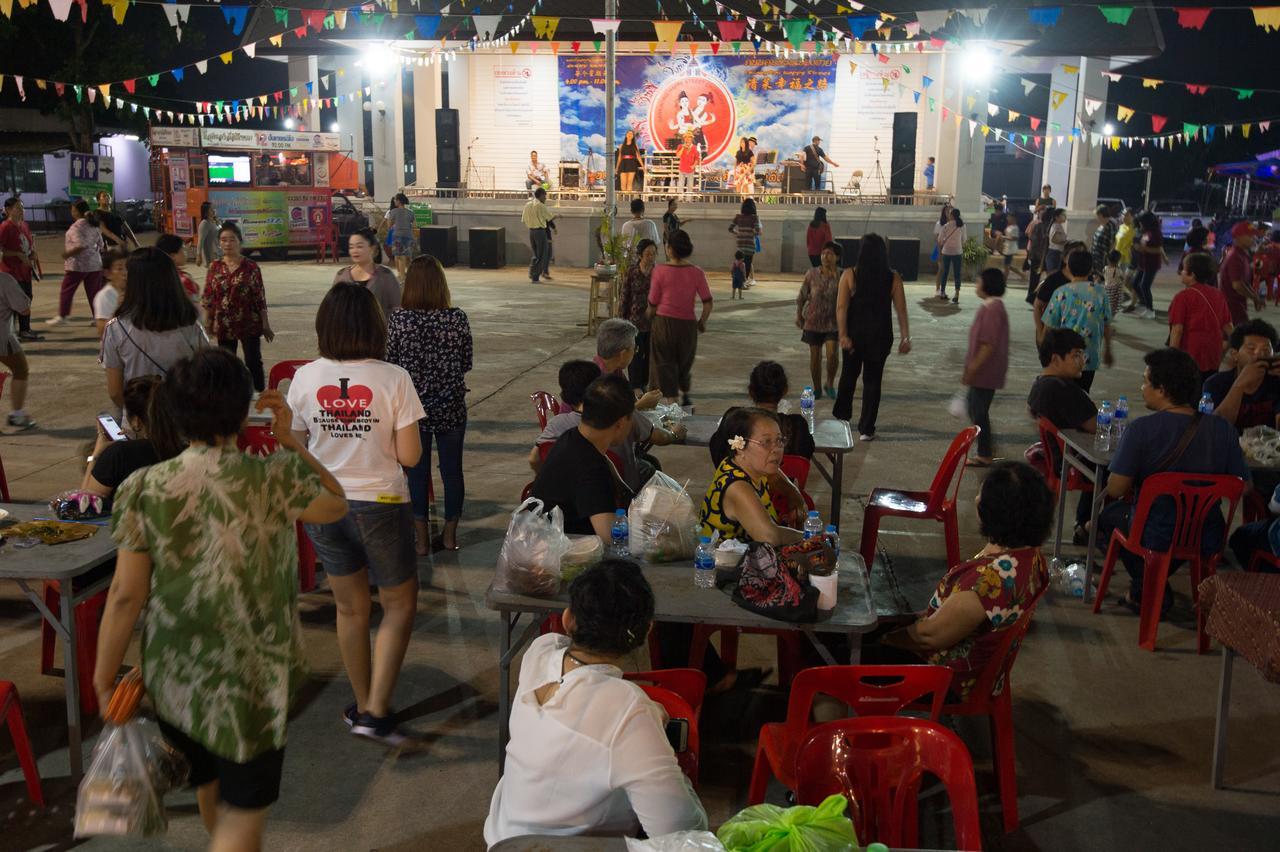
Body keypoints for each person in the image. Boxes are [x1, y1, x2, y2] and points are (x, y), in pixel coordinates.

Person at [93, 348, 347, 852]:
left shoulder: (145, 486)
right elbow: (336, 502)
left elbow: (126, 595)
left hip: (176, 674)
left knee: (209, 782)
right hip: (256, 678)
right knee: (245, 815)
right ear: (241, 411)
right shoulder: (274, 476)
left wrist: (104, 677)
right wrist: (289, 441)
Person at [483, 560, 707, 846]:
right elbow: (680, 831)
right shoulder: (629, 711)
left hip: (504, 839)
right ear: (647, 631)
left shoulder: (540, 651)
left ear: (567, 619)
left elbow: (586, 686)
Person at [287, 284, 425, 745]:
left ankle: (363, 701)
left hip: (323, 503)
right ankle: (375, 710)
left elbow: (297, 449)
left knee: (349, 607)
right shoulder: (393, 378)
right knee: (399, 604)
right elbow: (409, 456)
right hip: (381, 502)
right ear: (375, 326)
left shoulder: (305, 378)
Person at [879, 461, 1051, 702]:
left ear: (991, 513)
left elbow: (929, 636)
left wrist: (883, 639)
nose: (976, 499)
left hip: (947, 681)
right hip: (977, 672)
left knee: (827, 661)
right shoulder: (1030, 558)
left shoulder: (988, 581)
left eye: (982, 495)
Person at [1095, 348, 1250, 614]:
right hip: (1206, 534)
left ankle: (1147, 586)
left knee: (1108, 517)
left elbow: (1117, 488)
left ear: (1162, 389)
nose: (1142, 387)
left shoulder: (1141, 430)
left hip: (1156, 533)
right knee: (1174, 535)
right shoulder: (1222, 430)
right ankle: (1152, 585)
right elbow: (1243, 487)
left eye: (1146, 381)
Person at [386, 255, 472, 555]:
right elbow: (466, 362)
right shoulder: (457, 318)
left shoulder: (400, 320)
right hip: (451, 407)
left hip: (412, 411)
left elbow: (392, 363)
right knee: (452, 472)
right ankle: (449, 535)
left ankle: (421, 540)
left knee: (416, 473)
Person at [532, 359, 679, 495]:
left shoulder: (556, 425)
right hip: (620, 489)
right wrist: (675, 434)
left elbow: (534, 459)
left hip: (573, 491)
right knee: (649, 468)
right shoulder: (620, 417)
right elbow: (659, 437)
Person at [102, 248, 208, 415]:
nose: (123, 276)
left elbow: (115, 391)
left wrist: (141, 416)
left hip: (140, 423)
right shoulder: (191, 325)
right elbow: (206, 378)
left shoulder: (115, 328)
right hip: (183, 420)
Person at [530, 374, 636, 541]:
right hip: (554, 554)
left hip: (540, 541)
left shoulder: (571, 437)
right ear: (621, 423)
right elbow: (610, 536)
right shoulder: (589, 465)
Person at [707, 362, 814, 515]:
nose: (775, 449)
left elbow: (718, 456)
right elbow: (804, 459)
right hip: (782, 508)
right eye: (766, 442)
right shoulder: (798, 426)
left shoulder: (734, 421)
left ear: (751, 391)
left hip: (740, 507)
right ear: (785, 391)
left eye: (778, 441)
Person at [834, 233, 912, 440]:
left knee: (848, 376)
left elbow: (841, 307)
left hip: (854, 336)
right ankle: (866, 428)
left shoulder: (850, 274)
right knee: (873, 381)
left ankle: (842, 418)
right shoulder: (893, 278)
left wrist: (842, 334)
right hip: (880, 337)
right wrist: (906, 337)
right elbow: (901, 310)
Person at [1028, 328, 1098, 538]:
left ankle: (1085, 523)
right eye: (1075, 355)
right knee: (1129, 470)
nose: (1082, 361)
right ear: (1056, 358)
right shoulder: (1063, 389)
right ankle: (1095, 528)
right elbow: (1096, 426)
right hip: (1074, 462)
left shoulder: (1041, 383)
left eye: (1082, 355)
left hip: (1062, 457)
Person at [80, 376, 184, 509]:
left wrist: (96, 454)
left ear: (135, 421)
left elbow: (85, 503)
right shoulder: (186, 449)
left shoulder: (118, 455)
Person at [204, 221, 273, 393]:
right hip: (224, 324)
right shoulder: (215, 267)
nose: (227, 243)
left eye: (232, 239)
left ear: (239, 241)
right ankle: (230, 396)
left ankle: (259, 395)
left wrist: (265, 324)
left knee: (253, 361)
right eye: (223, 240)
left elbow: (260, 297)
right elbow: (209, 296)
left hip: (249, 321)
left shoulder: (251, 267)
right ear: (219, 242)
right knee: (226, 363)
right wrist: (208, 321)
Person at [647, 230, 712, 406]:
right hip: (687, 325)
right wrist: (702, 322)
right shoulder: (697, 272)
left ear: (669, 249)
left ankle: (671, 399)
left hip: (664, 323)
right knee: (684, 361)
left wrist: (649, 317)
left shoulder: (660, 270)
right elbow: (707, 302)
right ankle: (683, 390)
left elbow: (652, 302)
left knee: (664, 362)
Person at [1041, 250, 1115, 391]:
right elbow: (1106, 324)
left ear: (1068, 267)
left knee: (1063, 395)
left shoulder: (1061, 292)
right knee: (1082, 394)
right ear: (1091, 269)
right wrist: (1108, 350)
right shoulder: (1100, 292)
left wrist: (1045, 352)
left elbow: (1049, 326)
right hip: (1089, 356)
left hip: (1064, 357)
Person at [963, 269, 1010, 465]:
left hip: (985, 371)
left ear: (987, 284)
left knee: (978, 410)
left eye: (979, 280)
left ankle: (985, 452)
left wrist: (973, 368)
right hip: (984, 370)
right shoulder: (992, 306)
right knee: (974, 406)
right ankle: (987, 445)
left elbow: (988, 344)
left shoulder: (992, 309)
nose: (976, 283)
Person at [1203, 319, 1280, 432]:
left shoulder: (1276, 382)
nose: (1260, 354)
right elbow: (1207, 426)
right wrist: (1239, 385)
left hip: (1266, 447)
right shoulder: (1212, 384)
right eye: (1251, 348)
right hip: (1226, 447)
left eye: (1266, 349)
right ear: (1235, 355)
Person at [1169, 252, 1232, 383]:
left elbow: (1177, 330)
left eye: (1184, 269)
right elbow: (1229, 327)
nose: (1181, 272)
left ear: (1192, 275)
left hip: (1191, 352)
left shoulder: (1183, 297)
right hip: (1213, 352)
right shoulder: (1217, 294)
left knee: (1189, 392)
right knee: (1207, 389)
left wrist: (1172, 358)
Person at [797, 241, 841, 398]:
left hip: (834, 323)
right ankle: (817, 388)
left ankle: (829, 383)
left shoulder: (843, 275)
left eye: (829, 254)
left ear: (837, 257)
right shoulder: (811, 274)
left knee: (832, 355)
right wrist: (798, 315)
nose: (825, 257)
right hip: (813, 321)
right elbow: (802, 295)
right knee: (815, 357)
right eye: (823, 254)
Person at [50, 199, 103, 325]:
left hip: (77, 265)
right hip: (95, 264)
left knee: (67, 290)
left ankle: (63, 316)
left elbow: (80, 245)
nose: (71, 212)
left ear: (76, 212)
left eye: (72, 210)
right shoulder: (93, 225)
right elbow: (100, 244)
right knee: (94, 293)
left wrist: (67, 254)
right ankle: (98, 317)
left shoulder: (76, 227)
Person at [333, 226, 401, 318]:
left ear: (372, 249)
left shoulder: (386, 275)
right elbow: (333, 308)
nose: (354, 251)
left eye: (359, 246)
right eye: (351, 247)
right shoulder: (341, 275)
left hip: (379, 330)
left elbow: (397, 308)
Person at [618, 238, 657, 391]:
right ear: (640, 255)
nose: (651, 257)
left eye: (653, 254)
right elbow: (624, 296)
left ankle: (644, 383)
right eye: (647, 254)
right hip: (634, 321)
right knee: (634, 354)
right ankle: (635, 384)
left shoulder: (658, 272)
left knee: (649, 355)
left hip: (653, 321)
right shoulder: (632, 271)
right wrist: (621, 321)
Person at [1033, 242, 1088, 343]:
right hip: (1054, 336)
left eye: (1082, 254)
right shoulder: (1054, 280)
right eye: (1074, 255)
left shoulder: (1088, 282)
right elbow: (1037, 306)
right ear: (1065, 258)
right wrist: (1041, 335)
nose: (1078, 258)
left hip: (1079, 337)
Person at [0, 197, 38, 340]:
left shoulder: (24, 225)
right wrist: (16, 254)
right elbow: (1, 249)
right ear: (8, 210)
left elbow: (28, 244)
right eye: (18, 207)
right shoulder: (5, 227)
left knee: (27, 298)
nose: (22, 210)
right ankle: (14, 331)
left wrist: (32, 253)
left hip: (25, 271)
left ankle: (24, 329)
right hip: (11, 272)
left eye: (22, 207)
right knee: (17, 302)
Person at [0, 268, 33, 428]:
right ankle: (17, 415)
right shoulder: (4, 280)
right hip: (2, 337)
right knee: (20, 370)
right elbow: (24, 308)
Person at [1220, 221, 1261, 326]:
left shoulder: (1243, 255)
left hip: (1238, 304)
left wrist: (1255, 296)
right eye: (1250, 236)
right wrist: (1254, 297)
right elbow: (1237, 285)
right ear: (1238, 237)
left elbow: (1245, 282)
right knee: (1234, 338)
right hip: (1231, 306)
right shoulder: (1235, 257)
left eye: (1254, 235)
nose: (1254, 238)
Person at [1130, 211, 1166, 320]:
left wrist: (1144, 249)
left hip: (1151, 264)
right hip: (1143, 262)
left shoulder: (1155, 233)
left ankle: (1150, 310)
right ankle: (1143, 303)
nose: (1140, 224)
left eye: (1141, 222)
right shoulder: (1146, 231)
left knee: (1144, 285)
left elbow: (1158, 249)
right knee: (1135, 283)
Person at [154, 233, 201, 312]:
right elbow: (194, 308)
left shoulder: (154, 276)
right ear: (172, 256)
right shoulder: (183, 280)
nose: (186, 252)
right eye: (183, 249)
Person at [93, 248, 128, 338]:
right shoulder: (104, 296)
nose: (125, 272)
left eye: (128, 267)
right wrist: (119, 310)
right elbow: (102, 331)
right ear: (108, 273)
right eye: (120, 268)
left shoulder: (135, 289)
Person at [522, 187, 555, 283]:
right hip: (540, 232)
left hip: (531, 231)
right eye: (545, 196)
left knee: (536, 254)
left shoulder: (527, 205)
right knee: (542, 254)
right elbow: (550, 217)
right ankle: (535, 276)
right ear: (541, 195)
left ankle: (532, 272)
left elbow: (524, 219)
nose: (545, 198)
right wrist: (558, 216)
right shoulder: (541, 206)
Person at [1024, 204, 1053, 306]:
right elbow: (1034, 241)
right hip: (1041, 256)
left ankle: (1032, 298)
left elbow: (1033, 240)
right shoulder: (1043, 226)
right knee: (1042, 279)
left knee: (1035, 279)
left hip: (1038, 256)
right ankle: (1033, 298)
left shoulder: (1042, 226)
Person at [935, 207, 965, 303]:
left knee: (945, 272)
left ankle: (943, 292)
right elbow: (964, 239)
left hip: (946, 252)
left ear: (952, 215)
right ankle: (957, 294)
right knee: (957, 274)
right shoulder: (962, 226)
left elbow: (939, 240)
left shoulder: (946, 226)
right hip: (957, 252)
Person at [730, 198, 761, 287]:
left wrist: (738, 233)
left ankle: (738, 280)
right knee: (747, 263)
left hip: (740, 242)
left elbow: (730, 228)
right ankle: (743, 282)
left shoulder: (738, 217)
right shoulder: (754, 218)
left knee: (739, 262)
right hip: (750, 242)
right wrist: (751, 232)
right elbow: (758, 231)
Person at [1115, 208, 1137, 310]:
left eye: (1127, 215)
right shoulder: (1121, 227)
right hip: (1118, 258)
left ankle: (1134, 301)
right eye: (1123, 214)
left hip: (1127, 259)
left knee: (1127, 281)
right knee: (1120, 281)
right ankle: (1127, 299)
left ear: (1132, 216)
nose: (1124, 217)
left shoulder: (1133, 229)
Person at [1091, 204, 1118, 280]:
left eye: (1097, 216)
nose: (1096, 218)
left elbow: (1112, 244)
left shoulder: (1110, 226)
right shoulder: (1101, 225)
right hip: (1096, 260)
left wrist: (1107, 261)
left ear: (1100, 215)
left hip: (1103, 261)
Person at [196, 201, 220, 267]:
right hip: (211, 254)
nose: (213, 210)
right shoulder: (204, 223)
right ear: (206, 211)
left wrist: (218, 223)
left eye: (213, 208)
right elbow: (200, 241)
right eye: (211, 209)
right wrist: (198, 255)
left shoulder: (214, 222)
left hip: (217, 252)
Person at [1044, 209, 1068, 274]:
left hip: (1056, 253)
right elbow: (1055, 240)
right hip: (1055, 253)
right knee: (1053, 274)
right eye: (1063, 215)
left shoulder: (1058, 226)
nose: (1065, 217)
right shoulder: (1056, 226)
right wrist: (1065, 242)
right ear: (1056, 217)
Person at [1102, 250, 1124, 315]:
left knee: (1107, 303)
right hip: (1115, 291)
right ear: (1118, 261)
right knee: (1114, 305)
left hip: (1106, 289)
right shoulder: (1118, 270)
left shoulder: (1105, 268)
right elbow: (1122, 279)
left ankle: (1106, 315)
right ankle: (1110, 316)